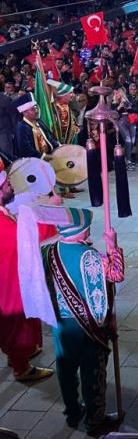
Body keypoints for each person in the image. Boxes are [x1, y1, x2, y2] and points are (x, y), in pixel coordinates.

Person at [40, 208, 124, 435]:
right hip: (87, 326)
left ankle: (72, 412)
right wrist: (113, 246)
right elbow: (116, 275)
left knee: (65, 368)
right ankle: (95, 421)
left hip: (60, 323)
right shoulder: (90, 256)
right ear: (81, 230)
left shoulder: (48, 251)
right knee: (92, 372)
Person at [0, 164, 53, 384]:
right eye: (5, 184)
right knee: (16, 322)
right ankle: (21, 367)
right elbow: (25, 239)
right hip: (9, 286)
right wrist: (51, 213)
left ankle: (19, 355)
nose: (10, 184)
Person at [13, 93, 59, 158]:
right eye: (33, 109)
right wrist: (43, 157)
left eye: (36, 108)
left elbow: (50, 138)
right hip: (32, 163)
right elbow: (26, 150)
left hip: (48, 157)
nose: (36, 111)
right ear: (25, 112)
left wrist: (58, 146)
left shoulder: (39, 122)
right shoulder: (21, 128)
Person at [47, 79, 80, 144]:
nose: (72, 95)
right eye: (70, 93)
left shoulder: (64, 105)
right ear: (63, 95)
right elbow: (64, 130)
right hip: (65, 145)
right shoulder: (61, 108)